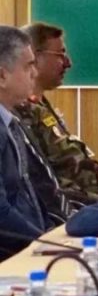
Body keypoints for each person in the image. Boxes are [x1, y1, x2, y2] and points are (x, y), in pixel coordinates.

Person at [16, 22, 98, 198]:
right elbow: (40, 178)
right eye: (60, 54)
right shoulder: (19, 113)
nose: (68, 63)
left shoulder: (42, 106)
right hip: (61, 207)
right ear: (34, 56)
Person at [0, 26, 58, 260]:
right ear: (2, 76)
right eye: (28, 66)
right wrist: (44, 243)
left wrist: (53, 232)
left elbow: (29, 193)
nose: (35, 73)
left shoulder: (10, 121)